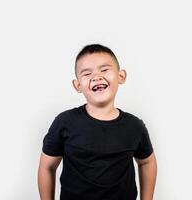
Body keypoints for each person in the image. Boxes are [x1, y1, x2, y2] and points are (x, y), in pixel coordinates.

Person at [38, 44, 157, 200]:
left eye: (104, 69)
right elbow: (47, 167)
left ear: (121, 76)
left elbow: (147, 162)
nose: (96, 76)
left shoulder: (135, 126)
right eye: (87, 73)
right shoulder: (65, 122)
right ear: (77, 85)